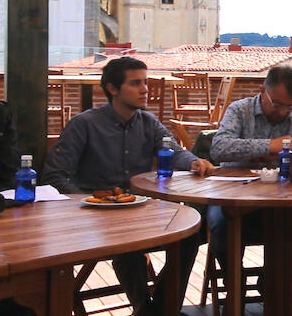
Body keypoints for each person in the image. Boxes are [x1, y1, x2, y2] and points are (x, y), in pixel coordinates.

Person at [42, 57, 215, 316]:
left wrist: (194, 162)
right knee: (129, 245)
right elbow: (54, 176)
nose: (145, 89)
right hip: (93, 216)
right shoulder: (85, 124)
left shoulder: (148, 122)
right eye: (136, 83)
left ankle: (158, 311)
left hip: (138, 209)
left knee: (191, 232)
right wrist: (85, 201)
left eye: (145, 82)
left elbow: (175, 151)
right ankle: (152, 311)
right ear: (113, 89)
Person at [207, 64, 292, 274]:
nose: (282, 112)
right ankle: (234, 286)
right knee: (221, 227)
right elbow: (218, 148)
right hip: (234, 198)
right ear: (262, 91)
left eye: (289, 106)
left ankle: (275, 286)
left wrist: (288, 155)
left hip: (282, 201)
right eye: (277, 104)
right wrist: (269, 146)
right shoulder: (239, 110)